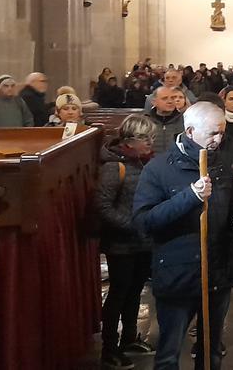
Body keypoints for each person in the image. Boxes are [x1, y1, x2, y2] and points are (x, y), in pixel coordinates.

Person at [133, 102, 233, 370]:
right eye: (213, 134)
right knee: (169, 353)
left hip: (216, 272)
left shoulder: (223, 164)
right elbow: (144, 221)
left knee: (211, 351)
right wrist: (189, 197)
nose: (219, 139)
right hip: (177, 272)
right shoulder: (159, 169)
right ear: (190, 131)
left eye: (222, 133)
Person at [97, 114, 160, 369]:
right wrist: (131, 225)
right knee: (118, 294)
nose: (150, 143)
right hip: (121, 244)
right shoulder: (114, 167)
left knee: (135, 292)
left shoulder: (145, 163)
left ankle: (130, 338)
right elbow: (101, 206)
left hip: (143, 242)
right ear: (130, 141)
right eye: (146, 139)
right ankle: (109, 348)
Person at [145, 86, 185, 154]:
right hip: (151, 162)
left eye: (172, 98)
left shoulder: (184, 120)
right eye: (164, 98)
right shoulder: (145, 121)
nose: (170, 101)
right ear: (154, 102)